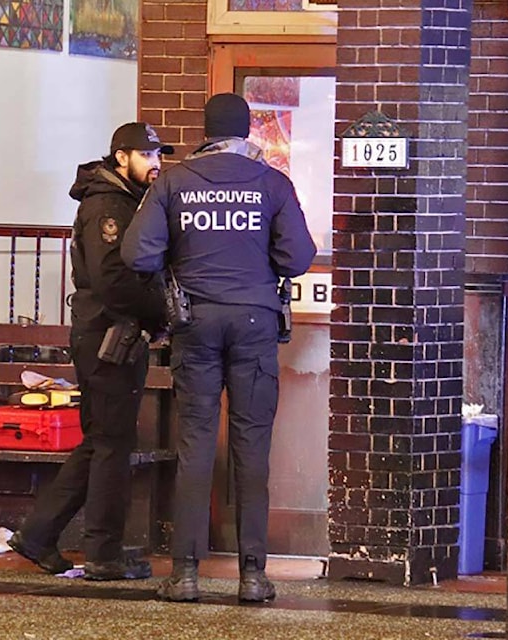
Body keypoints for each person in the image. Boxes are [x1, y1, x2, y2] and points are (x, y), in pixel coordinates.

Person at [121, 93, 317, 602]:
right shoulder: (272, 183)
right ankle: (253, 576)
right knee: (252, 448)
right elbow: (297, 257)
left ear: (205, 131)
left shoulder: (174, 181)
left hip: (195, 324)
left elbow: (137, 253)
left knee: (196, 444)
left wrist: (180, 261)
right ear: (247, 130)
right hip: (254, 323)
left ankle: (185, 573)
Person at [8, 122, 173, 581]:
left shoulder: (124, 199)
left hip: (107, 334)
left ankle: (39, 535)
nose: (156, 163)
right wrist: (161, 312)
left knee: (102, 441)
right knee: (112, 445)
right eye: (147, 155)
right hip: (108, 337)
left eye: (159, 155)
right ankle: (103, 552)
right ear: (122, 157)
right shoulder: (108, 204)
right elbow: (113, 280)